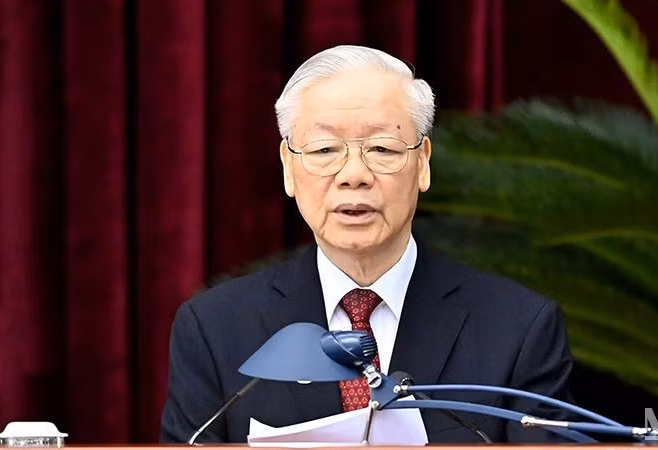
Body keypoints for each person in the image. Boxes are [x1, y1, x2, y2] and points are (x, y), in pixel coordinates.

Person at [160, 45, 575, 443]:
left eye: (381, 148)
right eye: (324, 149)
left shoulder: (518, 328)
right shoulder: (214, 329)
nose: (353, 174)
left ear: (422, 163)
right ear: (289, 167)